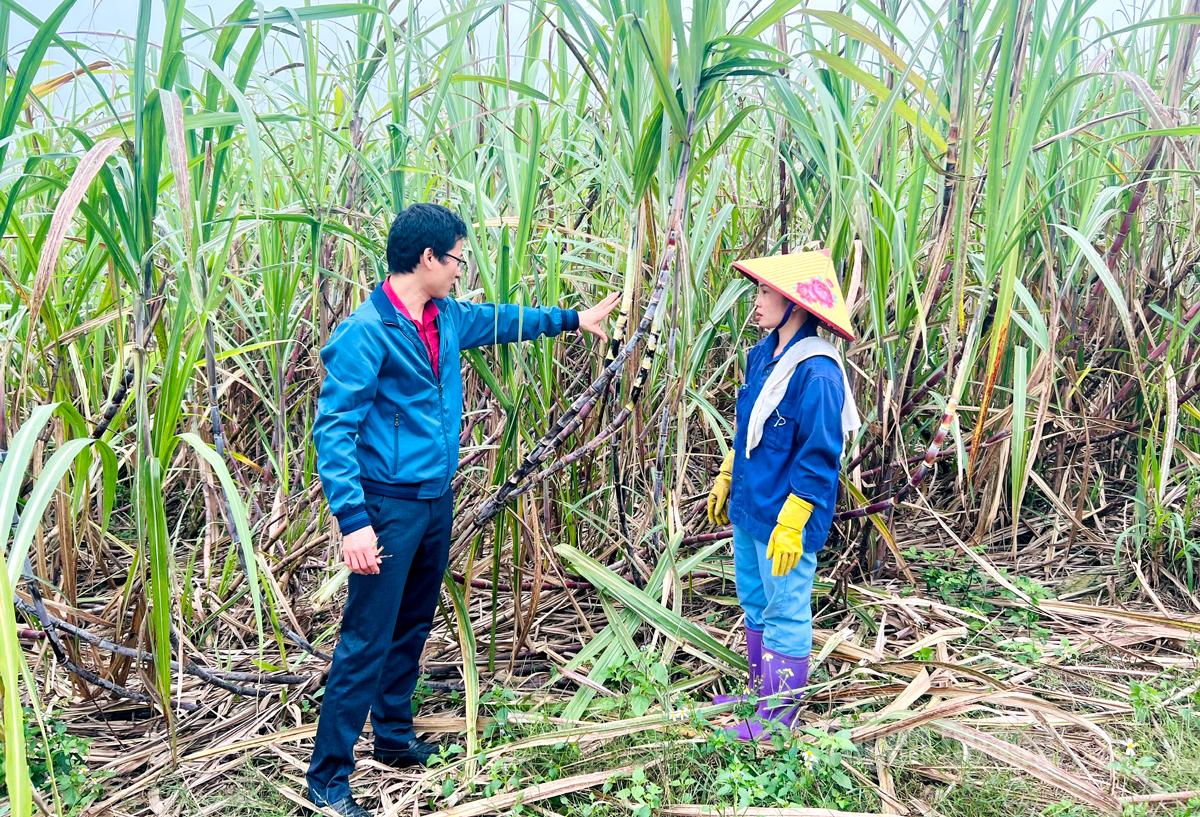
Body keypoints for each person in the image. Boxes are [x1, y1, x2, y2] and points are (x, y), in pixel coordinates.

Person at [307, 203, 620, 816]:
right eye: (455, 259)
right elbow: (333, 431)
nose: (459, 271)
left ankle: (392, 738)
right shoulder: (367, 332)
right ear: (427, 258)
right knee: (366, 638)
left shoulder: (445, 318)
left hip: (434, 501)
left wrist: (575, 320)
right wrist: (354, 521)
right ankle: (327, 777)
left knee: (412, 625)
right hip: (386, 506)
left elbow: (506, 322)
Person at [706, 250, 859, 742]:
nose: (756, 302)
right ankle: (758, 695)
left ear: (796, 304)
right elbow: (748, 425)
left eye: (766, 293)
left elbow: (820, 456)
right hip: (753, 505)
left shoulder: (818, 374)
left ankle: (776, 721)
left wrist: (794, 519)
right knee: (755, 600)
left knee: (785, 609)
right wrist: (730, 470)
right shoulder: (762, 354)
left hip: (784, 519)